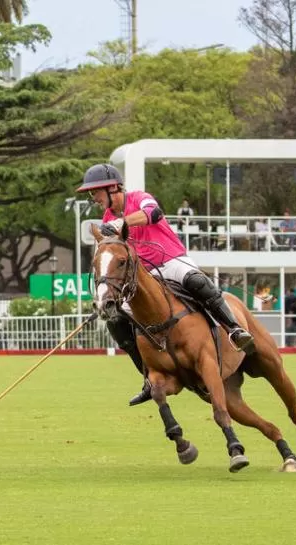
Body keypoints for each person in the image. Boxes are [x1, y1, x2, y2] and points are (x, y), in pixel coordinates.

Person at [75, 163, 254, 406]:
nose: (93, 197)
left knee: (197, 281)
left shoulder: (139, 198)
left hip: (171, 260)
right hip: (146, 276)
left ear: (112, 188)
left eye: (95, 192)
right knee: (117, 320)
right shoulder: (107, 217)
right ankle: (149, 378)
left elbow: (154, 214)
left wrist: (120, 223)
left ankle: (234, 329)